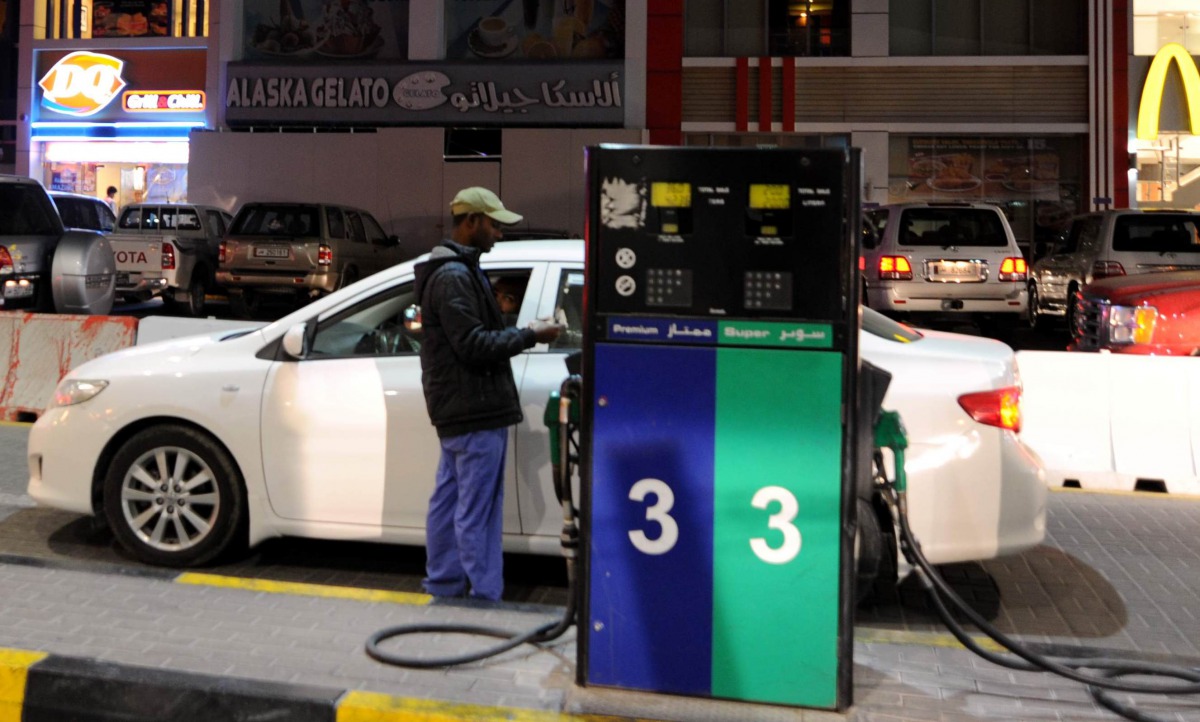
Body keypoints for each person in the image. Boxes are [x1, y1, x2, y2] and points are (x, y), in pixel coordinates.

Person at [413, 187, 562, 601]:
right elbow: (474, 345)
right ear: (471, 221)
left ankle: (444, 585)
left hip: (459, 408)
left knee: (449, 501)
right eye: (494, 224)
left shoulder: (455, 270)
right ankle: (484, 597)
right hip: (474, 408)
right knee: (478, 511)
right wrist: (531, 334)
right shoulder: (455, 276)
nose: (499, 233)